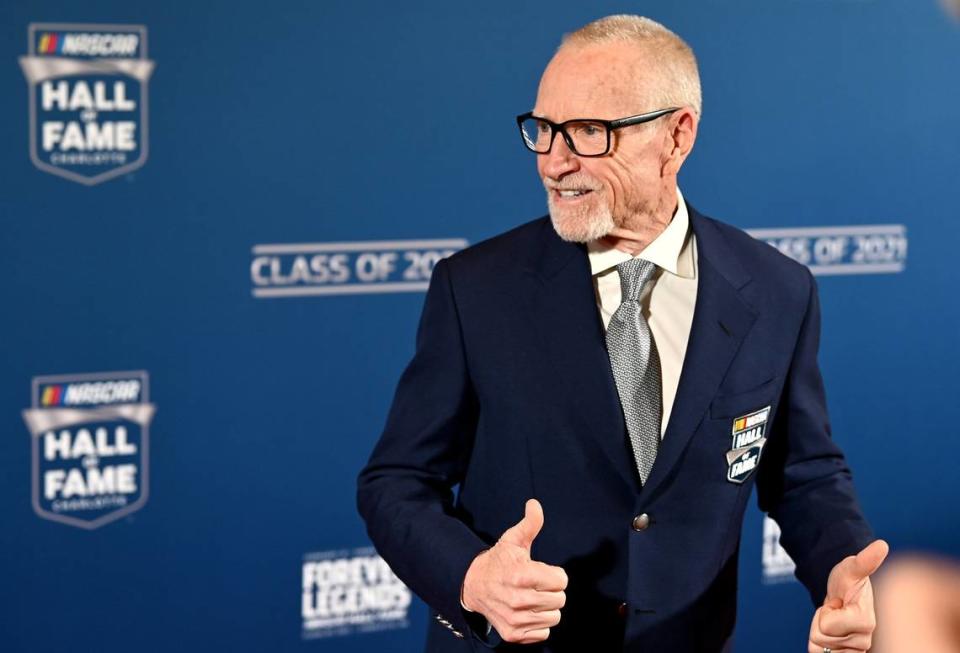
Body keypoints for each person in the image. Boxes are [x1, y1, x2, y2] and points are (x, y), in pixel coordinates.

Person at [357, 14, 887, 653]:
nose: (555, 162)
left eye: (588, 132)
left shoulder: (778, 289)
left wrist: (838, 569)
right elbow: (396, 482)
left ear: (676, 136)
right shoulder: (475, 288)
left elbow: (801, 471)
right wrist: (473, 579)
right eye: (544, 130)